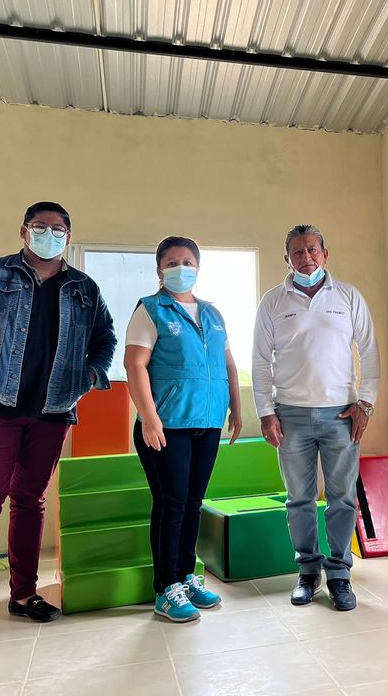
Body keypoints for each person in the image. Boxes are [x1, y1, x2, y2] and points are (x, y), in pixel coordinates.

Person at [0, 201, 117, 652]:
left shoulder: (84, 287)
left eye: (58, 229)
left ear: (68, 236)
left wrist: (90, 377)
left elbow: (105, 338)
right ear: (24, 231)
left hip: (53, 412)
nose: (49, 234)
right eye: (40, 226)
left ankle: (23, 594)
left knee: (30, 503)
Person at [252, 224, 380, 611]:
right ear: (287, 258)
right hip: (290, 414)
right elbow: (260, 360)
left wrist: (366, 404)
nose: (306, 257)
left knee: (342, 498)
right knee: (299, 499)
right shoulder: (273, 302)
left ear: (325, 254)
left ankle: (339, 574)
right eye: (297, 251)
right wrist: (266, 412)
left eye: (312, 250)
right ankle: (307, 572)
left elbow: (370, 352)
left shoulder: (348, 296)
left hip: (341, 413)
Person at [124, 236, 243, 623]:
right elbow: (134, 365)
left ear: (198, 267)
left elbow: (228, 363)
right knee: (172, 504)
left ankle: (186, 577)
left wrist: (237, 408)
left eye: (187, 261)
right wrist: (149, 417)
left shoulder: (212, 313)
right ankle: (166, 588)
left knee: (193, 503)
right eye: (172, 262)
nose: (180, 268)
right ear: (160, 269)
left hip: (206, 423)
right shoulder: (150, 309)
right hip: (166, 426)